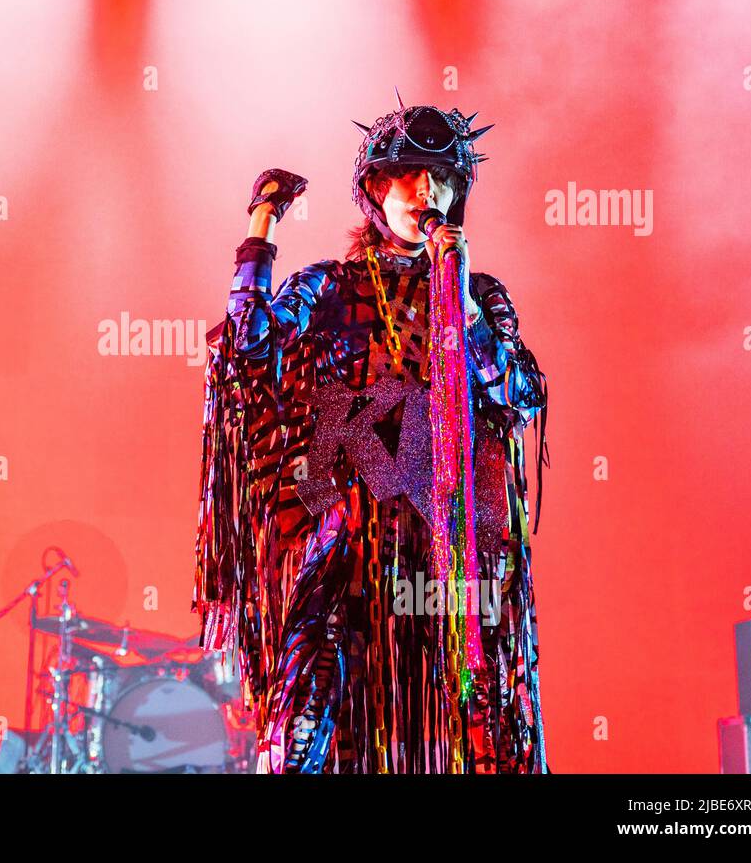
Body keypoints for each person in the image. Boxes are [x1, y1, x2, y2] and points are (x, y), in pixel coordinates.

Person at [192, 98, 550, 773]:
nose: (427, 191)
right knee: (309, 725)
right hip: (351, 549)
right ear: (375, 191)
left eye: (441, 179)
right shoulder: (332, 288)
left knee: (483, 733)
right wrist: (261, 229)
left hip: (451, 555)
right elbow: (243, 350)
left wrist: (465, 301)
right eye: (410, 174)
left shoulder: (482, 293)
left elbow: (518, 395)